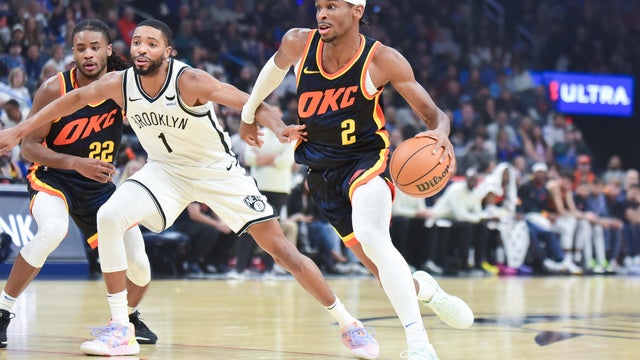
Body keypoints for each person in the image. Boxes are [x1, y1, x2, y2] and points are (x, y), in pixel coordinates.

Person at [0, 19, 378, 358]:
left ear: (169, 51)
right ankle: (121, 330)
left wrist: (276, 126)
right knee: (110, 215)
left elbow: (247, 100)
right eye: (137, 43)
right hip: (164, 171)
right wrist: (19, 131)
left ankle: (350, 325)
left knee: (282, 250)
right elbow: (73, 99)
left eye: (151, 43)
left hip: (216, 172)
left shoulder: (190, 80)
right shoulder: (120, 82)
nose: (142, 49)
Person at [240, 1, 474, 358]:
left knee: (372, 234)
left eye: (332, 6)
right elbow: (270, 74)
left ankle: (419, 346)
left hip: (368, 160)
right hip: (321, 173)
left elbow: (433, 114)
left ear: (357, 11)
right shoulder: (297, 43)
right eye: (319, 6)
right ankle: (425, 291)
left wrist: (440, 133)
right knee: (380, 268)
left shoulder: (382, 60)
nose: (321, 13)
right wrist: (248, 113)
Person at [0, 20, 158, 349]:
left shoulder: (123, 87)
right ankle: (3, 311)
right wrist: (74, 162)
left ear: (109, 50)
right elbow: (29, 147)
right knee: (53, 229)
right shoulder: (53, 88)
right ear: (72, 52)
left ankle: (125, 319)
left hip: (98, 186)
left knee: (140, 265)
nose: (88, 54)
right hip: (53, 177)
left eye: (95, 47)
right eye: (81, 48)